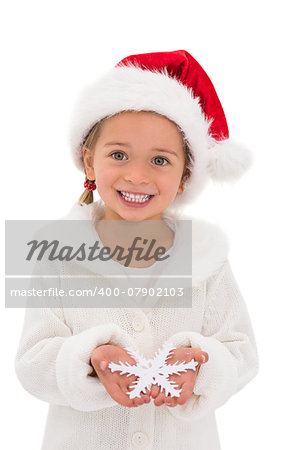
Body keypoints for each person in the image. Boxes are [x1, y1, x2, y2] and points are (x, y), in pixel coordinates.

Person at [15, 50, 259, 450]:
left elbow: (242, 352)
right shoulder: (56, 253)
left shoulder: (206, 258)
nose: (137, 175)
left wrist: (202, 369)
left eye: (160, 160)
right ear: (89, 163)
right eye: (119, 154)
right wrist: (90, 358)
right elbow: (32, 363)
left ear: (185, 177)